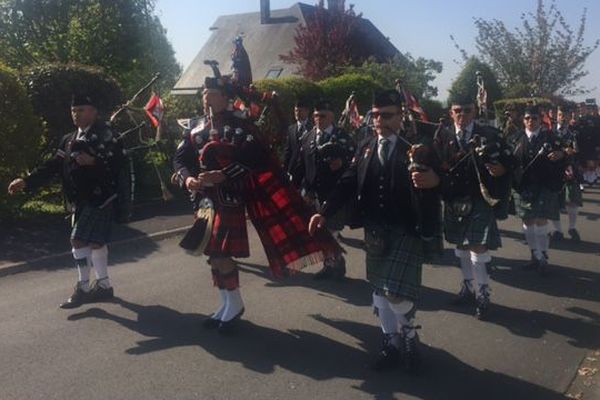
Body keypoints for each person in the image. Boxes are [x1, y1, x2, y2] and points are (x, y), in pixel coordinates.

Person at [173, 76, 342, 334]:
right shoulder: (196, 127)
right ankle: (226, 303)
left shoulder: (242, 126)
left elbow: (258, 160)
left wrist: (224, 175)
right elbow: (181, 159)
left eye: (212, 92)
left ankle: (236, 304)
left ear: (225, 97)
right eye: (205, 92)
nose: (206, 96)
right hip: (204, 201)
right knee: (212, 255)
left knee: (220, 253)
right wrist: (188, 179)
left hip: (230, 199)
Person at [308, 90, 441, 373]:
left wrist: (435, 179)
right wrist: (325, 211)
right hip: (375, 229)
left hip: (407, 228)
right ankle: (391, 343)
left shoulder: (417, 147)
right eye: (376, 115)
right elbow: (347, 181)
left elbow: (446, 180)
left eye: (387, 115)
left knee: (396, 294)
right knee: (380, 292)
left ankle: (408, 336)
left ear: (400, 116)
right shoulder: (365, 145)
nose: (380, 120)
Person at [8, 94, 125, 308]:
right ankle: (105, 286)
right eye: (73, 110)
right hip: (78, 199)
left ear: (94, 112)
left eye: (81, 109)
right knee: (96, 242)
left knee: (78, 240)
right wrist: (26, 181)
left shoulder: (107, 135)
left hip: (100, 197)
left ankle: (83, 288)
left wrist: (94, 162)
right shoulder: (69, 139)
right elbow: (54, 165)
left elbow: (118, 165)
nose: (76, 114)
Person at [433, 96, 513, 319]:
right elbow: (437, 163)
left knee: (478, 246)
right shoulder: (442, 135)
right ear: (451, 113)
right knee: (460, 246)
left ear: (474, 111)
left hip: (479, 198)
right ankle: (468, 287)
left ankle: (483, 294)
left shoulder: (490, 134)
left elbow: (511, 160)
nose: (462, 114)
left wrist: (502, 169)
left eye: (467, 110)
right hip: (453, 198)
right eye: (457, 110)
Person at [298, 100, 355, 280]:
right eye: (316, 115)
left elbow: (356, 163)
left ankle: (335, 265)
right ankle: (331, 264)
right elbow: (303, 167)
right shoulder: (307, 138)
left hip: (335, 193)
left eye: (322, 116)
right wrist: (305, 189)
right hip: (314, 194)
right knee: (321, 233)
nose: (318, 119)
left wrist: (342, 163)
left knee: (332, 231)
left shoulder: (343, 137)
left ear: (331, 117)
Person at [507, 105, 565, 276]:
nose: (530, 122)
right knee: (527, 222)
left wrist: (561, 155)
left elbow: (566, 152)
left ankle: (543, 257)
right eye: (527, 119)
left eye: (534, 119)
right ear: (523, 120)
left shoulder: (550, 136)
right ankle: (534, 254)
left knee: (541, 221)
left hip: (545, 184)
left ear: (540, 120)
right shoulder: (515, 138)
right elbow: (508, 159)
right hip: (523, 185)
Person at [550, 105, 582, 242]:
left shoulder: (574, 133)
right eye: (560, 115)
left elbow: (576, 150)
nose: (562, 118)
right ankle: (558, 230)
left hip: (569, 169)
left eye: (565, 115)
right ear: (556, 116)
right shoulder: (549, 132)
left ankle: (572, 227)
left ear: (570, 116)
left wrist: (569, 156)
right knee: (553, 201)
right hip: (552, 170)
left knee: (572, 201)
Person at [283, 99, 312, 187]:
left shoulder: (313, 129)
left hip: (307, 172)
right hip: (292, 171)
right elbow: (288, 151)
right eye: (295, 110)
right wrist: (285, 169)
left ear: (307, 112)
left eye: (300, 111)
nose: (297, 113)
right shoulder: (291, 129)